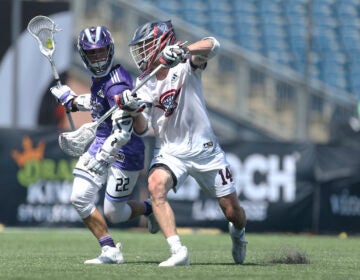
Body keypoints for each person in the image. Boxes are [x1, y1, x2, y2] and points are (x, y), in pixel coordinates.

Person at [117, 20, 247, 267]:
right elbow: (143, 128)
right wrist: (132, 110)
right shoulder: (144, 82)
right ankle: (178, 251)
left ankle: (239, 234)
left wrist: (184, 51)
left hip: (205, 150)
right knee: (155, 185)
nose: (141, 53)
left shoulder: (186, 65)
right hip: (170, 151)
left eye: (146, 46)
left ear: (162, 43)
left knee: (233, 212)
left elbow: (213, 44)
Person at [50, 25, 158, 264]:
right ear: (84, 55)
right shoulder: (103, 78)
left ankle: (150, 209)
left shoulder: (117, 84)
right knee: (79, 198)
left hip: (124, 151)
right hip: (101, 141)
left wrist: (102, 158)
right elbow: (101, 103)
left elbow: (125, 131)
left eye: (101, 52)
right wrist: (74, 100)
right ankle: (110, 250)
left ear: (109, 50)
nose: (98, 58)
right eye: (92, 53)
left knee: (115, 213)